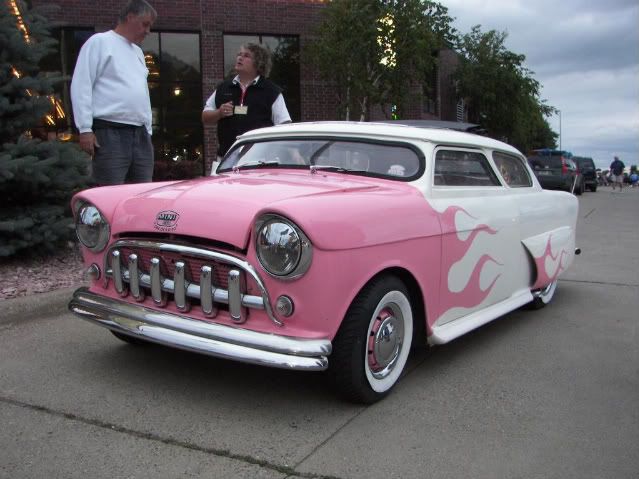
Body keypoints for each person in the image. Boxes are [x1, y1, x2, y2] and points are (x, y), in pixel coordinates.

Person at [70, 0, 156, 185]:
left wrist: (147, 130)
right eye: (145, 24)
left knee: (143, 192)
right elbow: (82, 84)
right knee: (109, 191)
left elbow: (141, 91)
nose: (148, 31)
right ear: (130, 17)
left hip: (140, 133)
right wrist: (85, 129)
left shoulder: (138, 52)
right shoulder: (100, 42)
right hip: (110, 131)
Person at [202, 43, 291, 173]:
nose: (240, 58)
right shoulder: (224, 88)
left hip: (259, 163)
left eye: (246, 55)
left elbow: (284, 126)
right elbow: (205, 117)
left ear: (258, 63)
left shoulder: (271, 91)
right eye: (239, 54)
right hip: (225, 160)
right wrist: (219, 113)